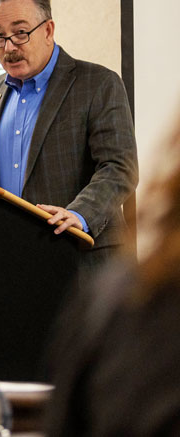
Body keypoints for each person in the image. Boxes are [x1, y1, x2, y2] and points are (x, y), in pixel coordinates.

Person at [0, 0, 138, 265]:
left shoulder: (98, 84)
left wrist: (79, 214)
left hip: (79, 258)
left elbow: (119, 167)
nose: (9, 48)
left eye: (20, 33)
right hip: (8, 262)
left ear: (47, 30)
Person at [45, 114, 180, 435]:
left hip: (70, 255)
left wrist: (79, 214)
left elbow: (117, 168)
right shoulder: (108, 304)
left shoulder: (107, 299)